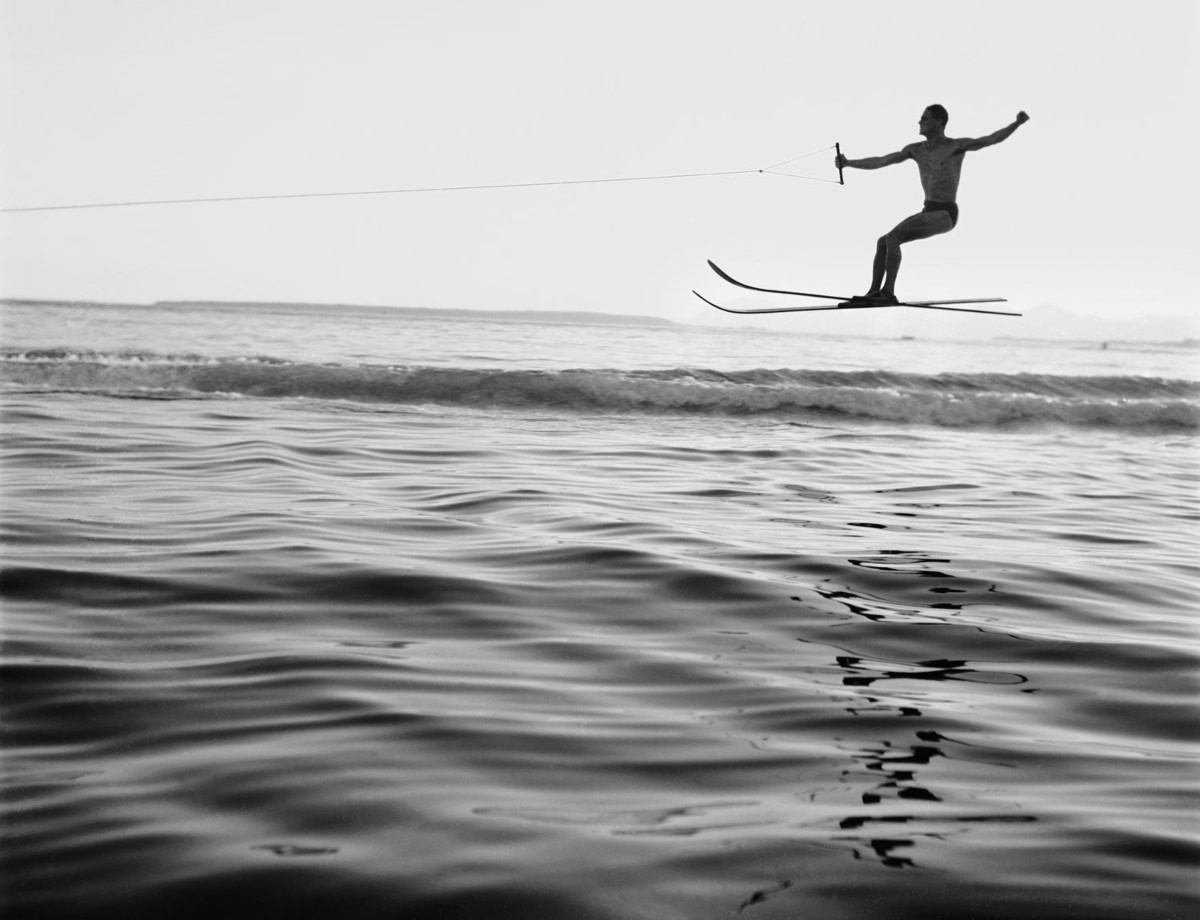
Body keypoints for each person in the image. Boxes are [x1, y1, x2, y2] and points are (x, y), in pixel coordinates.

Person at [835, 105, 1029, 304]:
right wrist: (849, 163)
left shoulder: (955, 146)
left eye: (924, 119)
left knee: (893, 237)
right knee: (882, 242)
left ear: (939, 122)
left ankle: (888, 292)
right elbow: (883, 160)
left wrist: (1016, 123)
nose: (919, 122)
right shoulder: (915, 150)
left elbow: (991, 139)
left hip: (945, 213)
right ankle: (874, 293)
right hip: (928, 210)